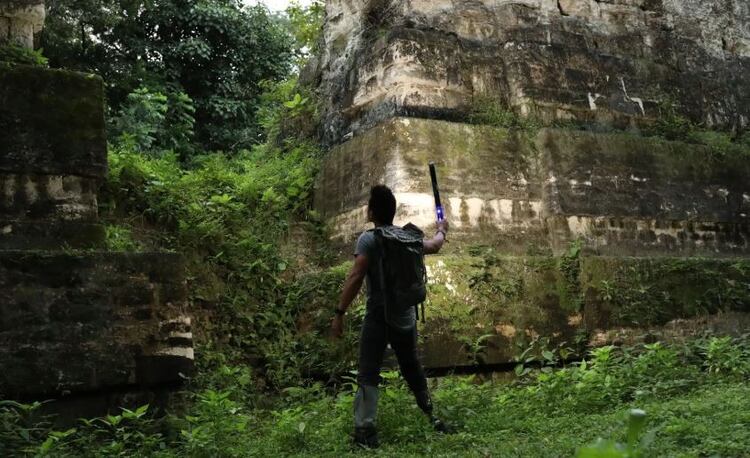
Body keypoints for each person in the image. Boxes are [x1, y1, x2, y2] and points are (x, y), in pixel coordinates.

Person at [331, 184, 450, 448]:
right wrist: (442, 229)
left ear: (372, 211)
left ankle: (365, 432)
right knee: (411, 368)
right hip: (405, 316)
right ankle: (431, 414)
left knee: (368, 371)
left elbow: (356, 276)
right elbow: (434, 245)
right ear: (393, 211)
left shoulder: (368, 240)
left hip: (378, 316)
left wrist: (339, 313)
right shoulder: (407, 237)